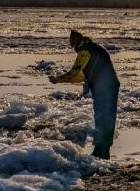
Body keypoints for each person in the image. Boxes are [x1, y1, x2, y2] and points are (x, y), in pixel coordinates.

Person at [50, 30, 120, 159]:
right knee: (107, 118)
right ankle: (103, 151)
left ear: (75, 41)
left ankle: (101, 151)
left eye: (71, 42)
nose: (71, 45)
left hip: (105, 88)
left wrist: (59, 79)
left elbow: (74, 73)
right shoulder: (94, 48)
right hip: (109, 86)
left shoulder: (85, 52)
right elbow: (82, 76)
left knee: (102, 118)